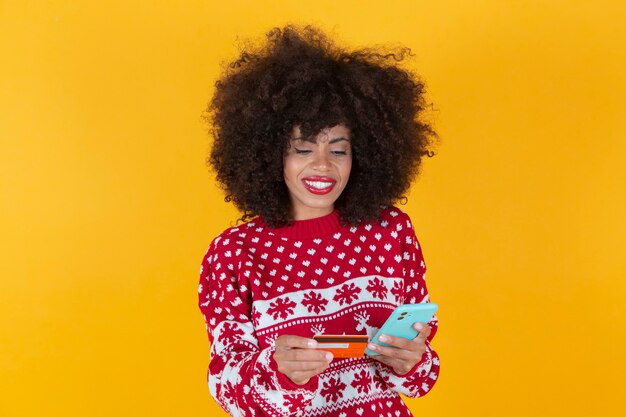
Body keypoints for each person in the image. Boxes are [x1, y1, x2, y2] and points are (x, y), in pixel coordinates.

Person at [198, 25, 440, 417]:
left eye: (339, 150)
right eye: (303, 148)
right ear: (268, 154)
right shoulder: (234, 252)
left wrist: (413, 360)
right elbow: (226, 384)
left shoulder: (392, 230)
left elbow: (420, 376)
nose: (322, 165)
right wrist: (279, 373)